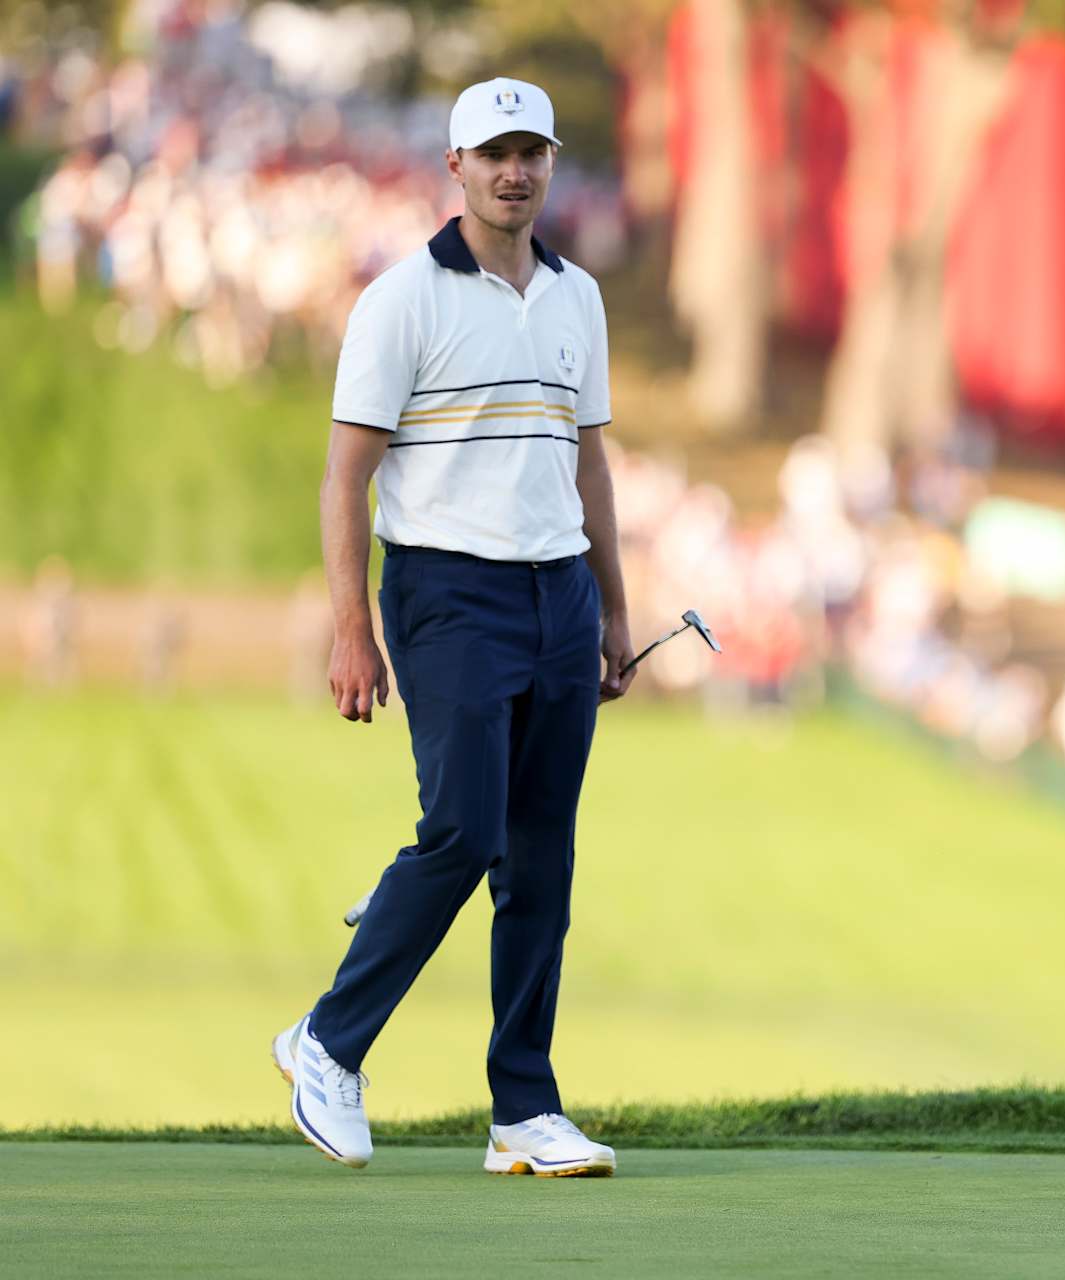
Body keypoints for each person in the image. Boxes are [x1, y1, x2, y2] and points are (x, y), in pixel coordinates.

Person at [271, 78, 637, 1177]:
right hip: (445, 591)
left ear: (550, 162)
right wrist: (352, 627)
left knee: (542, 856)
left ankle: (523, 1104)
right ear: (455, 167)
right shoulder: (400, 300)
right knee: (466, 832)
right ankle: (328, 1044)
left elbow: (590, 461)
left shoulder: (577, 297)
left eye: (532, 151)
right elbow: (346, 479)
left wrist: (615, 605)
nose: (514, 169)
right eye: (494, 153)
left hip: (558, 593)